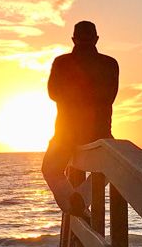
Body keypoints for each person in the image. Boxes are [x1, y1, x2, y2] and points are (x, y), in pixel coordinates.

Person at [42, 20, 118, 217]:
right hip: (99, 132)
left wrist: (73, 95)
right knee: (110, 166)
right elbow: (110, 96)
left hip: (66, 132)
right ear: (96, 39)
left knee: (50, 169)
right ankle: (81, 202)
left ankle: (77, 205)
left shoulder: (62, 62)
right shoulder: (110, 63)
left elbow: (53, 93)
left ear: (73, 39)